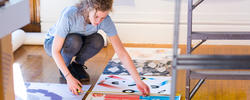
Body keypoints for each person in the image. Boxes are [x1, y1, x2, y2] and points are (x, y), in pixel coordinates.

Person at [44, 0, 150, 96]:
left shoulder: (105, 20)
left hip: (77, 42)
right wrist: (68, 77)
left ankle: (77, 65)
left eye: (102, 17)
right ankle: (65, 68)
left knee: (98, 39)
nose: (98, 21)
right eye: (96, 16)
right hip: (52, 44)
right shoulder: (70, 15)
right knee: (75, 40)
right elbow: (55, 51)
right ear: (88, 8)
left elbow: (121, 52)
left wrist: (138, 81)